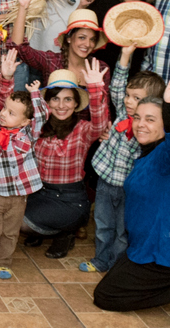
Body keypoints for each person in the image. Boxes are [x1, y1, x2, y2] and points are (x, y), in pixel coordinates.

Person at [93, 73, 170, 324]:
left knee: (106, 296)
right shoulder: (147, 152)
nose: (140, 124)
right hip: (146, 247)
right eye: (137, 118)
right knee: (114, 279)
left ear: (164, 126)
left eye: (150, 119)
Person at [80, 47, 165, 273]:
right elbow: (117, 84)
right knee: (102, 224)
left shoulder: (149, 131)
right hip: (106, 180)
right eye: (128, 95)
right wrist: (126, 55)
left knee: (123, 230)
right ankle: (100, 259)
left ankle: (117, 266)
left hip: (129, 189)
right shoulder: (121, 114)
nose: (128, 101)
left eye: (136, 98)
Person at [0, 50, 48, 279]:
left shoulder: (28, 134)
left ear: (25, 121)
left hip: (18, 195)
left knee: (11, 231)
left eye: (12, 113)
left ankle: (4, 262)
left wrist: (35, 95)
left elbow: (42, 117)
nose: (4, 114)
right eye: (4, 110)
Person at [22, 63, 110, 259]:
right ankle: (43, 229)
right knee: (9, 216)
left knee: (22, 223)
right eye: (56, 99)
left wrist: (95, 87)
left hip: (69, 199)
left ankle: (65, 232)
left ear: (76, 103)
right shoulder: (38, 127)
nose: (61, 105)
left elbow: (101, 122)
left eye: (68, 99)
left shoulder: (84, 129)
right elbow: (9, 112)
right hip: (39, 193)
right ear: (47, 102)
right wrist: (7, 77)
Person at [10, 0, 110, 87]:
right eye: (82, 37)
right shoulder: (52, 61)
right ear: (69, 38)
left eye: (93, 39)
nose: (87, 44)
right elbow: (19, 47)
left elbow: (103, 103)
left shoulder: (100, 69)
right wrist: (23, 7)